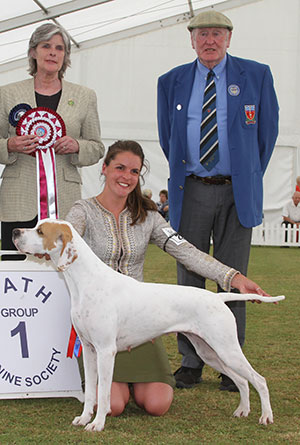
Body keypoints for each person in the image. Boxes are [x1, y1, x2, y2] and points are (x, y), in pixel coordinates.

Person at [66, 139, 270, 417]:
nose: (126, 177)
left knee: (157, 404)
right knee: (113, 405)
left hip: (138, 324)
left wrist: (232, 277)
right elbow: (66, 241)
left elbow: (186, 252)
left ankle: (131, 381)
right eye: (120, 168)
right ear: (104, 168)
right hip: (99, 325)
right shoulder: (82, 211)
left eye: (134, 172)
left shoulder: (148, 215)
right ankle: (109, 389)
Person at [157, 10, 279, 391]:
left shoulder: (256, 75)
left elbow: (267, 134)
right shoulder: (171, 81)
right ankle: (190, 361)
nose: (209, 40)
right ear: (191, 40)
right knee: (189, 278)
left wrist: (244, 175)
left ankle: (230, 364)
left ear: (229, 38)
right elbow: (168, 136)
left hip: (236, 191)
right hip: (191, 188)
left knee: (234, 279)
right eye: (202, 34)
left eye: (217, 34)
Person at [0, 23, 104, 259]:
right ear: (32, 52)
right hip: (18, 199)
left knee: (63, 271)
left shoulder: (85, 96)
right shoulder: (6, 94)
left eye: (59, 48)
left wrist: (77, 146)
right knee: (15, 273)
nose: (53, 53)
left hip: (64, 201)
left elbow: (97, 147)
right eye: (46, 46)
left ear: (65, 56)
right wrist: (9, 145)